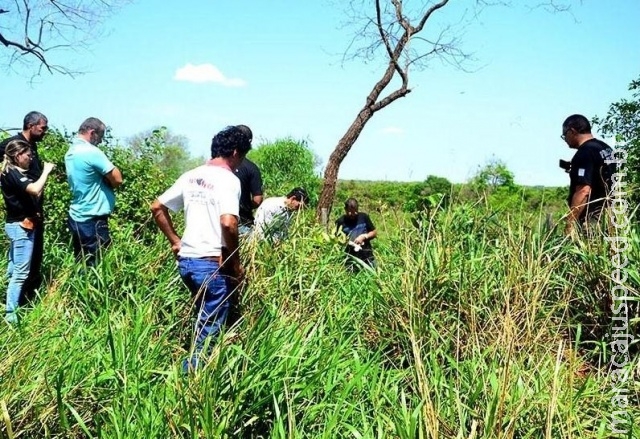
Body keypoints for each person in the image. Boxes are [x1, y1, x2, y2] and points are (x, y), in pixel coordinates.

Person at [150, 126, 251, 372]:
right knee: (210, 328)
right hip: (211, 264)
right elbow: (228, 222)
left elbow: (156, 208)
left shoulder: (191, 175)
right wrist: (234, 265)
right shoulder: (229, 180)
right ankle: (193, 379)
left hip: (187, 262)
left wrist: (176, 241)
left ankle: (199, 371)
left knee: (204, 318)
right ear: (236, 152)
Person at [1, 140, 55, 323]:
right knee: (21, 273)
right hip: (21, 228)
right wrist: (46, 171)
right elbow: (34, 189)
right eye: (28, 155)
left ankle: (9, 303)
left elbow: (32, 193)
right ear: (18, 156)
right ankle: (11, 315)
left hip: (18, 226)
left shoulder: (12, 173)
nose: (31, 159)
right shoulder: (12, 173)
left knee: (13, 269)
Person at [0, 111, 48, 302]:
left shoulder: (32, 147)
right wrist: (10, 182)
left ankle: (21, 300)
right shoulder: (13, 145)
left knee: (28, 262)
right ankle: (14, 308)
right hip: (21, 217)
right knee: (21, 268)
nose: (45, 131)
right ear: (31, 125)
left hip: (33, 213)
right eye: (43, 127)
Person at [64, 117, 123, 266]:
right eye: (100, 136)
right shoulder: (91, 152)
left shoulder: (71, 152)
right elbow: (117, 179)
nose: (101, 141)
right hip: (93, 218)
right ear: (92, 132)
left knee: (82, 262)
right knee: (98, 264)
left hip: (78, 216)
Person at [561, 114, 615, 236]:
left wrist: (570, 223)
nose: (565, 139)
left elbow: (583, 191)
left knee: (591, 253)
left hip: (593, 219)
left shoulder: (584, 153)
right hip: (612, 215)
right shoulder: (605, 148)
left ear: (572, 131)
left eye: (564, 135)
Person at [234, 125, 263, 236]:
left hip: (219, 222)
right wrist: (245, 205)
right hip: (243, 223)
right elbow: (257, 200)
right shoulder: (252, 168)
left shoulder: (218, 167)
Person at [335, 198, 377, 270]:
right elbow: (336, 240)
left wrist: (364, 236)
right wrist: (346, 242)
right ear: (345, 209)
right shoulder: (340, 222)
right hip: (350, 260)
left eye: (355, 211)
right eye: (350, 212)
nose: (353, 214)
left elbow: (374, 232)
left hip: (368, 257)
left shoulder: (364, 217)